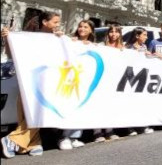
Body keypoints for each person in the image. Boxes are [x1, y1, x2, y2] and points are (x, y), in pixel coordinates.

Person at [1, 12, 62, 158]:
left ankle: (24, 141)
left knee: (40, 111)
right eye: (55, 22)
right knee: (28, 112)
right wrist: (8, 38)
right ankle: (23, 141)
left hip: (48, 81)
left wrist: (64, 40)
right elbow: (11, 55)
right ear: (45, 22)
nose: (58, 25)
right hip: (28, 80)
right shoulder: (28, 37)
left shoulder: (58, 37)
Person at [58, 20, 93, 150]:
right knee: (70, 106)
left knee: (81, 107)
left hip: (85, 81)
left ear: (91, 30)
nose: (81, 29)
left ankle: (75, 137)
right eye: (80, 26)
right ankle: (64, 137)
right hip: (71, 80)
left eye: (85, 27)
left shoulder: (94, 45)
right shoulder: (71, 41)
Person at [93, 24, 123, 142]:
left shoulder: (123, 48)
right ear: (108, 33)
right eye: (111, 32)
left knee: (110, 106)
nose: (113, 34)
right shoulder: (101, 46)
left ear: (120, 34)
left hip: (114, 81)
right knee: (99, 105)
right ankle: (97, 132)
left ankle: (110, 131)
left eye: (116, 32)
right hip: (100, 79)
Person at [125, 27, 154, 135]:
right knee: (131, 103)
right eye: (144, 35)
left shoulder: (144, 47)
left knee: (142, 103)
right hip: (131, 78)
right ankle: (130, 128)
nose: (146, 37)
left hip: (142, 78)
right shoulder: (128, 47)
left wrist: (153, 55)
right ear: (137, 36)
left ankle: (143, 126)